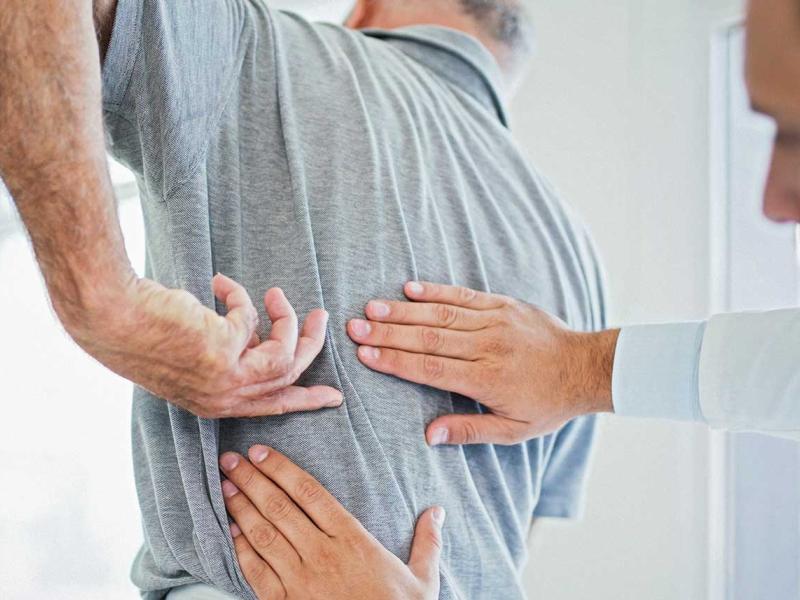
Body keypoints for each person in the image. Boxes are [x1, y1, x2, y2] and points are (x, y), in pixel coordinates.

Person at [2, 1, 608, 598]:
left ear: (365, 11)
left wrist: (105, 304)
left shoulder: (263, 51)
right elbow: (510, 548)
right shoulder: (579, 261)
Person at [346, 0, 800, 447]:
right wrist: (582, 367)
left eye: (794, 135)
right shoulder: (574, 255)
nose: (772, 204)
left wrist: (582, 367)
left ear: (360, 14)